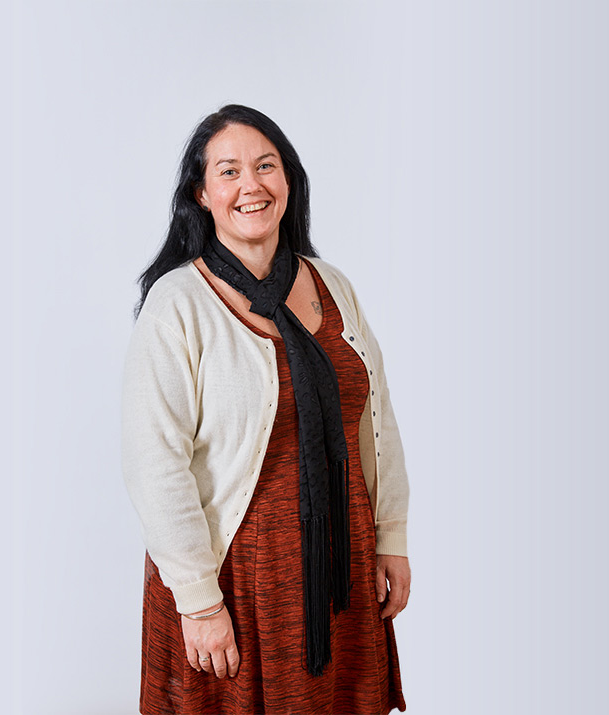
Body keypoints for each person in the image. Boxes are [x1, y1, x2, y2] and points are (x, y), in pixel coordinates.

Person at [120, 104, 412, 714]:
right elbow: (155, 464)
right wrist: (199, 603)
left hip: (340, 569)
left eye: (265, 165)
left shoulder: (332, 285)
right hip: (232, 580)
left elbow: (376, 419)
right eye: (228, 171)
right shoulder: (178, 304)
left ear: (289, 181)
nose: (250, 184)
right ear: (201, 194)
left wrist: (391, 537)